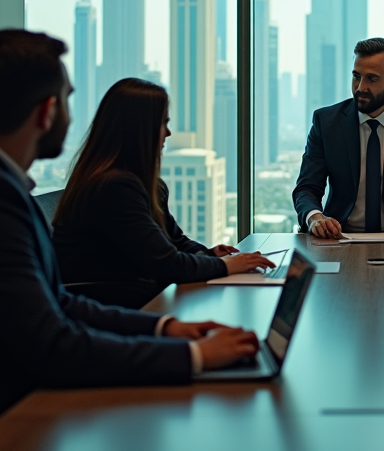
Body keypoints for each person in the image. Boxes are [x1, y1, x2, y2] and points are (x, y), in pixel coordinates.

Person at [0, 30, 260, 450]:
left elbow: (58, 302)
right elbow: (53, 346)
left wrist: (168, 328)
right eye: (68, 100)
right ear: (47, 111)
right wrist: (197, 358)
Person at [52, 78, 273, 303]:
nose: (168, 133)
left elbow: (175, 240)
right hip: (113, 307)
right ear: (138, 129)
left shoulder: (145, 184)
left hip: (135, 298)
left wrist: (209, 254)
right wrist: (226, 265)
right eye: (162, 123)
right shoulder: (114, 188)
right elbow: (167, 264)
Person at [293, 37, 384, 239]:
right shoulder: (327, 122)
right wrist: (315, 217)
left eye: (372, 79)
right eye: (356, 76)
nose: (360, 87)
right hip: (338, 237)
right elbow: (307, 188)